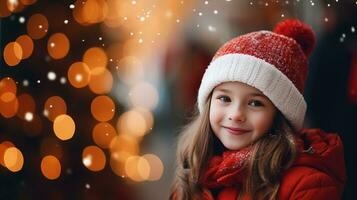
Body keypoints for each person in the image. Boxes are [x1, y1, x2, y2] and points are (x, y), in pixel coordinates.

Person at [170, 19, 346, 200]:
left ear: (280, 113)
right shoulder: (193, 173)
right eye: (224, 98)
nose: (236, 114)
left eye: (255, 103)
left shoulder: (307, 185)